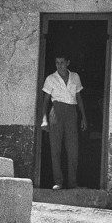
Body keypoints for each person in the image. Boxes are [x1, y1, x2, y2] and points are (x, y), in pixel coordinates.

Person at [41, 53, 87, 190]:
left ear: (68, 62)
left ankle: (73, 183)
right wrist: (44, 119)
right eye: (57, 62)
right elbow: (45, 101)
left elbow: (78, 97)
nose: (59, 65)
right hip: (56, 112)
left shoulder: (75, 77)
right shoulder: (51, 78)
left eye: (62, 62)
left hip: (72, 113)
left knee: (73, 149)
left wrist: (84, 116)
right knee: (56, 148)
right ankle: (58, 182)